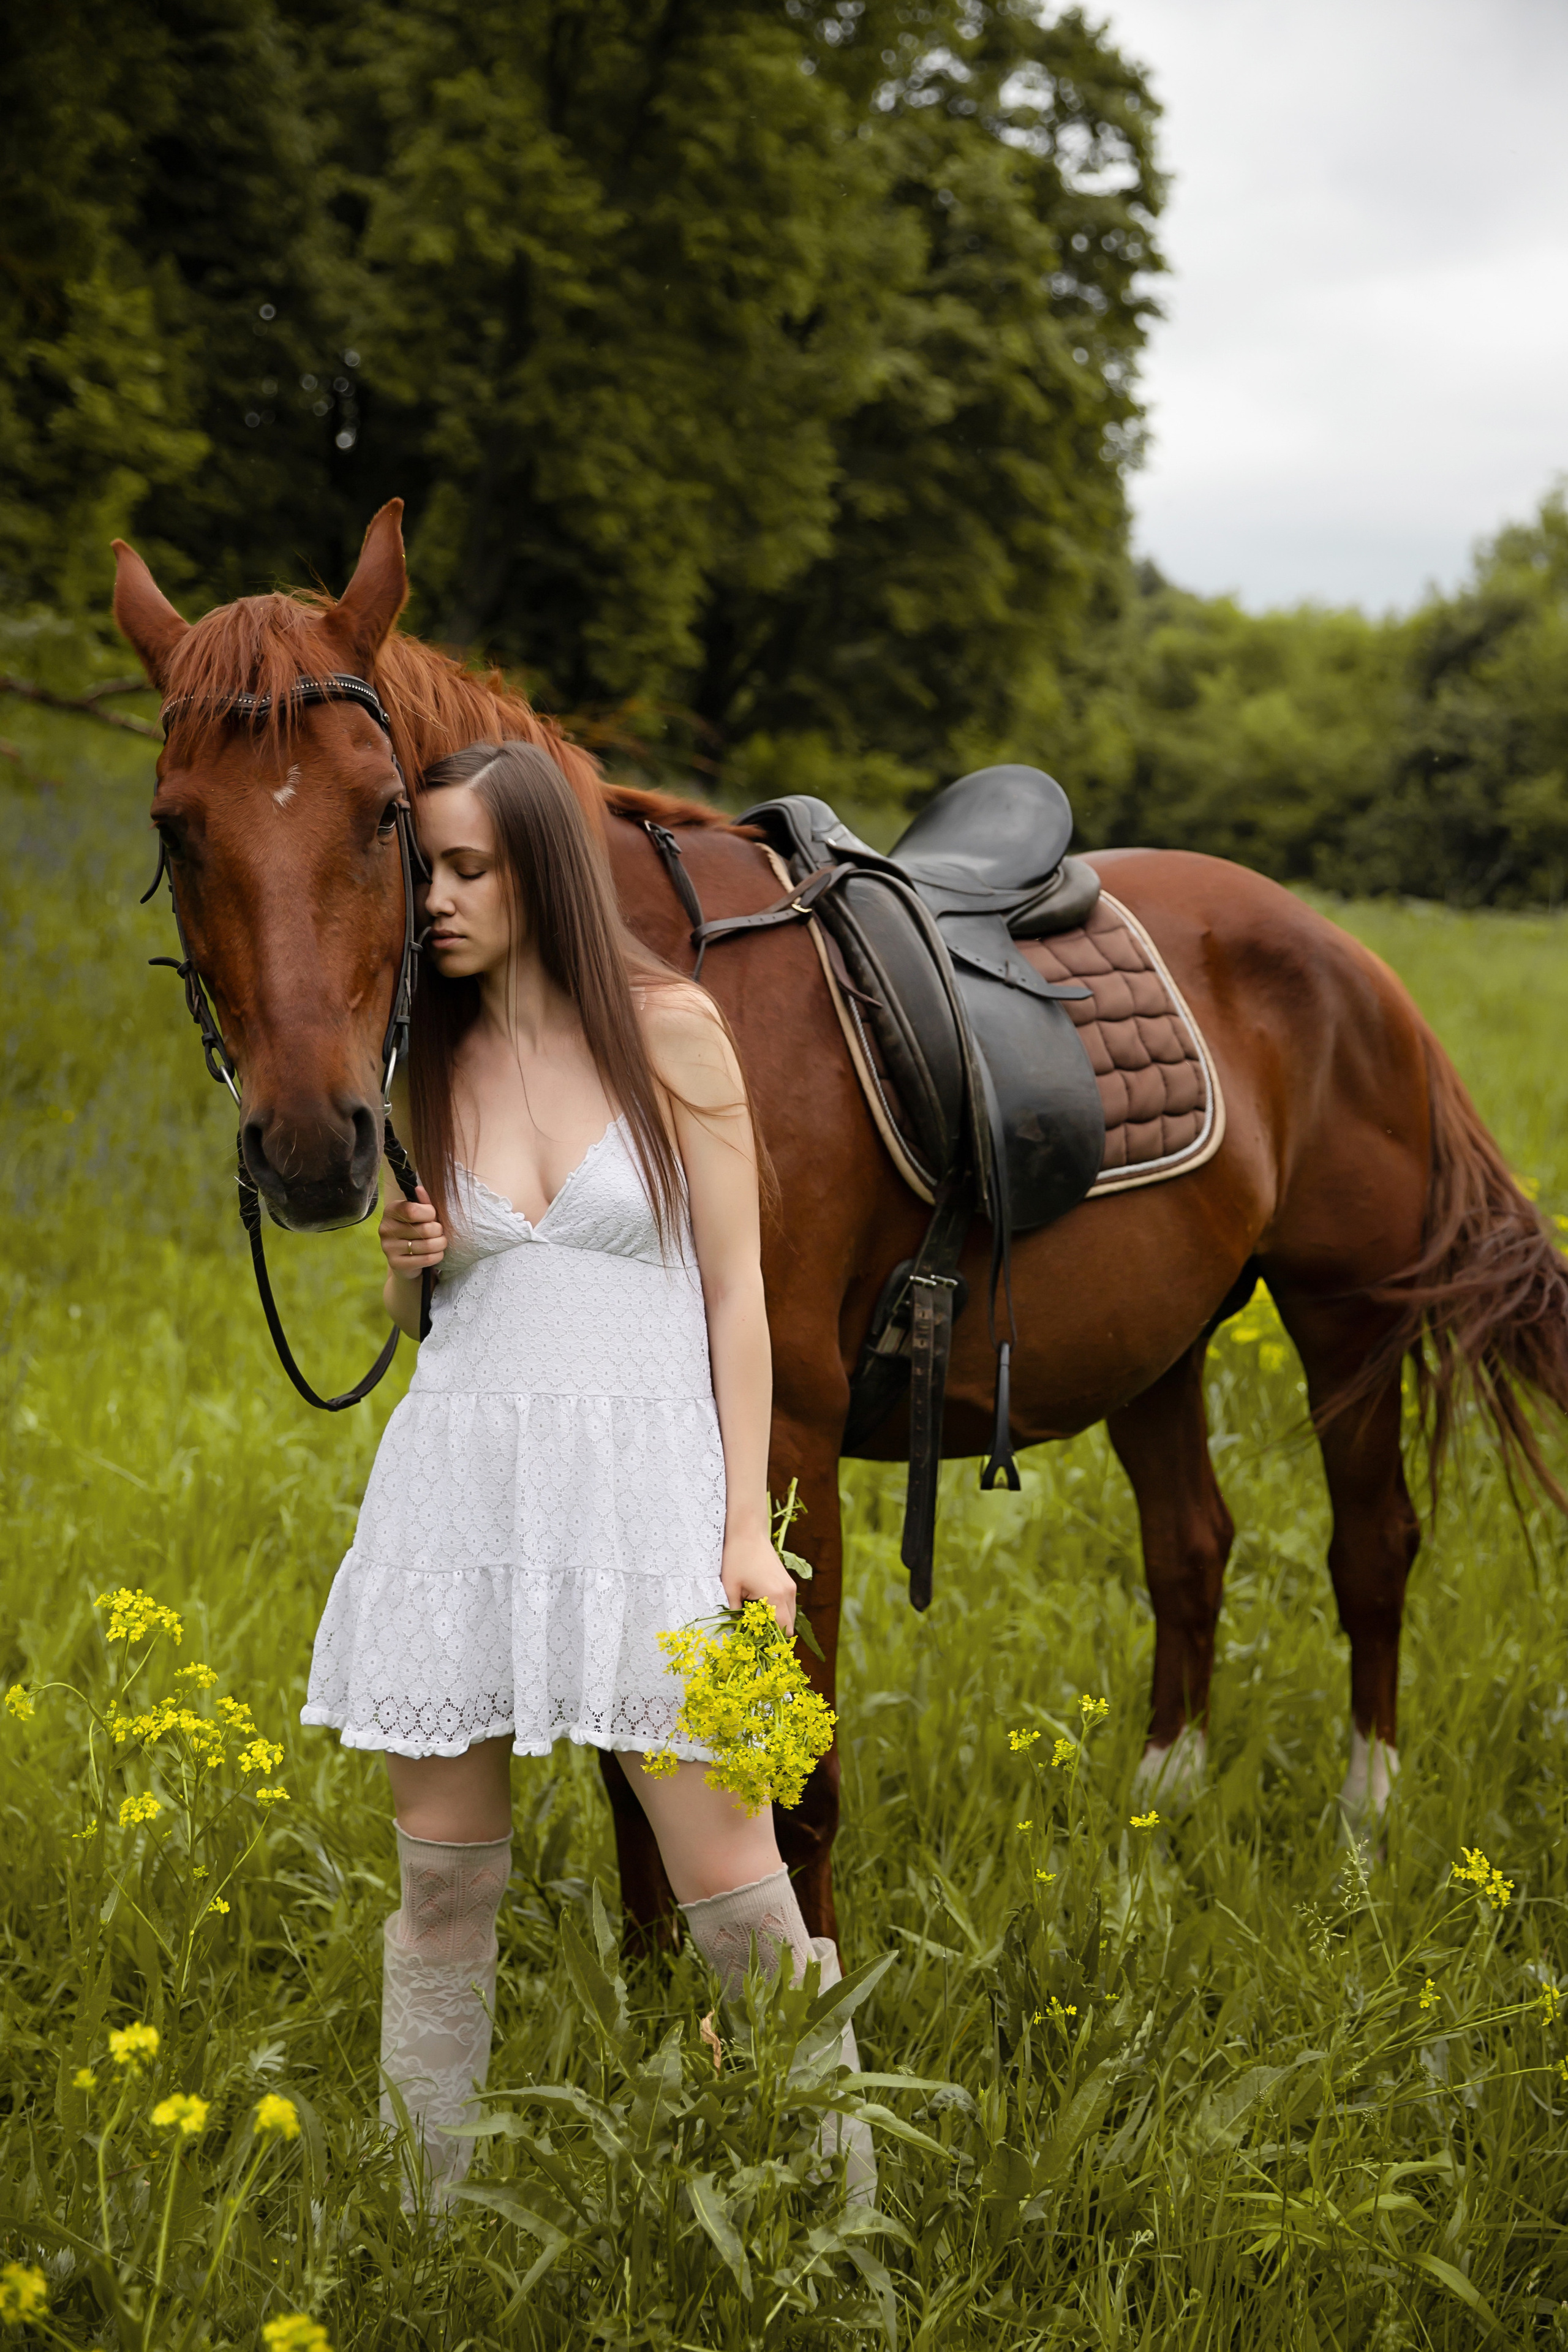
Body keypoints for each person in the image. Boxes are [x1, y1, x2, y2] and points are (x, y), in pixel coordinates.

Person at [300, 739, 870, 2205]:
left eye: (466, 867)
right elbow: (441, 1319)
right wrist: (406, 1270)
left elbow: (736, 1297)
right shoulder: (430, 1053)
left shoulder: (675, 1034)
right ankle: (420, 2217)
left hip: (641, 1502)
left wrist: (745, 1531)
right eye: (420, 866)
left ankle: (846, 2210)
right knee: (441, 1888)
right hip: (458, 1494)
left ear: (546, 871)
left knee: (742, 1902)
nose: (431, 898)